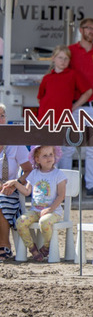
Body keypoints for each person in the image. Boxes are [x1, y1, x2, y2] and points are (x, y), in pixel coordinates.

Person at [61, 18, 93, 198]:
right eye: (89, 28)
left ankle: (91, 186)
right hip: (72, 106)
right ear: (81, 30)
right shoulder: (70, 51)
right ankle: (64, 187)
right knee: (68, 147)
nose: (92, 31)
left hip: (92, 106)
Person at [13, 146, 67, 262]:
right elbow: (27, 191)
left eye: (51, 154)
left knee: (44, 222)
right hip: (35, 211)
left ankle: (46, 247)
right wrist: (16, 183)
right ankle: (32, 248)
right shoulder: (34, 174)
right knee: (20, 222)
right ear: (37, 159)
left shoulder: (58, 174)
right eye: (44, 156)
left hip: (53, 212)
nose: (49, 158)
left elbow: (61, 195)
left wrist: (50, 209)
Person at [0, 104, 33, 261]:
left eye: (2, 115)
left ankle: (4, 245)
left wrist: (15, 183)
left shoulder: (15, 143)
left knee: (2, 200)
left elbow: (29, 170)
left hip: (9, 191)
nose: (0, 119)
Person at [37, 45, 93, 123]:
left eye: (66, 58)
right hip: (44, 117)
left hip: (63, 118)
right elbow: (40, 98)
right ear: (53, 58)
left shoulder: (73, 75)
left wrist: (74, 107)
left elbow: (88, 92)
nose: (63, 61)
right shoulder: (47, 78)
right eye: (60, 57)